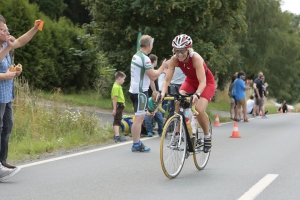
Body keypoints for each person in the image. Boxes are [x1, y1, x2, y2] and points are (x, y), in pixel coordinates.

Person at [0, 14, 42, 181]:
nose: (7, 31)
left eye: (6, 28)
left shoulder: (5, 43)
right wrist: (5, 76)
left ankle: (2, 161)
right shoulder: (4, 47)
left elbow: (21, 41)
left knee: (7, 125)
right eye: (3, 30)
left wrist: (35, 28)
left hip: (6, 94)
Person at [160, 34, 215, 153]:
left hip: (205, 83)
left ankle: (207, 136)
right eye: (177, 51)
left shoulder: (196, 59)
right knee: (178, 101)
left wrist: (197, 94)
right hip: (190, 81)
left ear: (188, 49)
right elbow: (167, 80)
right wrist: (162, 93)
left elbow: (202, 82)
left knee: (199, 109)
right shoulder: (174, 60)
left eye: (183, 51)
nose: (179, 54)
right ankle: (177, 133)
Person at [129, 35, 167, 152]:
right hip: (141, 92)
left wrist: (154, 90)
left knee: (139, 117)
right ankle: (136, 144)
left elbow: (148, 76)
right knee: (139, 118)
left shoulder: (136, 56)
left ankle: (137, 142)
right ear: (149, 45)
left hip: (134, 90)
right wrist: (162, 68)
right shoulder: (145, 58)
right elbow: (152, 75)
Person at [111, 71, 127, 142]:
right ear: (119, 78)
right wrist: (114, 109)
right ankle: (116, 135)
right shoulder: (116, 87)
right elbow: (115, 98)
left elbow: (120, 96)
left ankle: (117, 134)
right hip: (117, 105)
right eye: (123, 79)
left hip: (120, 105)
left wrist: (123, 103)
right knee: (117, 119)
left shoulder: (118, 86)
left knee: (119, 119)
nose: (124, 81)